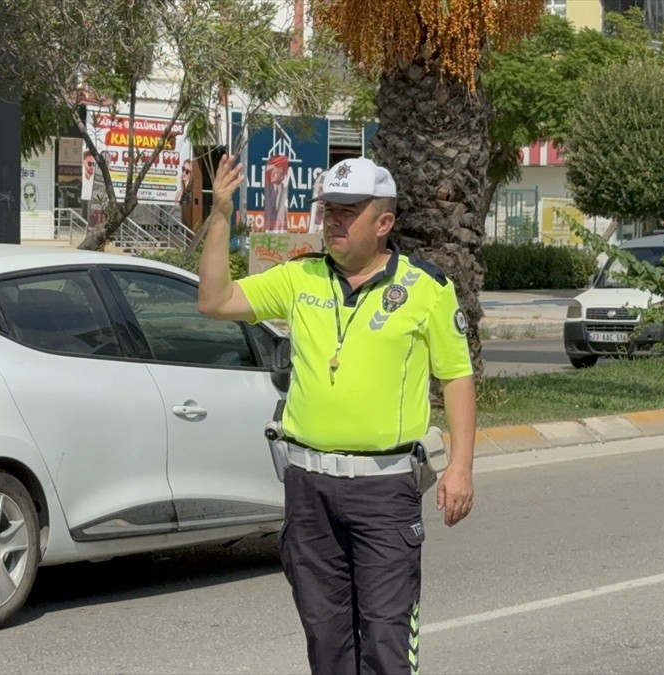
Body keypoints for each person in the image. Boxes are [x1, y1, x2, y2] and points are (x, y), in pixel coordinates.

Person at [197, 155, 477, 675]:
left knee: (387, 644)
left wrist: (460, 466)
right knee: (327, 644)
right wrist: (220, 215)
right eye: (329, 211)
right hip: (308, 489)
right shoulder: (299, 277)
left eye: (348, 213)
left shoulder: (425, 288)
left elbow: (457, 375)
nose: (334, 222)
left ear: (384, 223)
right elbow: (215, 300)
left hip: (384, 492)